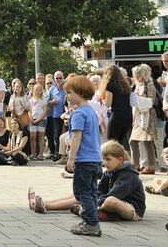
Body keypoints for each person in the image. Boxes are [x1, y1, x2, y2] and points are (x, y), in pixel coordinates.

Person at [64, 75, 102, 236]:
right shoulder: (91, 112)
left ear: (80, 92)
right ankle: (89, 220)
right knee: (91, 192)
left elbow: (77, 136)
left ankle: (92, 224)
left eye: (70, 93)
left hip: (84, 160)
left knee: (82, 192)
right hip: (95, 160)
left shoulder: (78, 114)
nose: (68, 96)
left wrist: (71, 158)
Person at [129, 64, 157, 175]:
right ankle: (137, 165)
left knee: (147, 141)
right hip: (138, 116)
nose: (136, 77)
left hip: (147, 115)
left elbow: (152, 101)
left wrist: (139, 99)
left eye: (138, 75)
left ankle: (148, 166)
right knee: (133, 141)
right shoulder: (137, 85)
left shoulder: (149, 85)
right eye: (135, 75)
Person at [99, 64, 132, 150]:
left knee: (111, 143)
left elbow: (108, 104)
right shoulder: (125, 85)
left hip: (117, 116)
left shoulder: (110, 85)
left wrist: (102, 98)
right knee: (119, 143)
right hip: (128, 117)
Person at [47, 71, 66, 161]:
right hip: (56, 115)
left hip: (67, 114)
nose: (59, 80)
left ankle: (66, 154)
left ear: (63, 77)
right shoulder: (52, 88)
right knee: (57, 135)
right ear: (54, 79)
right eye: (57, 78)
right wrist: (52, 102)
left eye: (60, 78)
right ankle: (58, 153)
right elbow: (46, 102)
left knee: (68, 134)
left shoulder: (67, 86)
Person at [29, 83, 48, 160]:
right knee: (32, 136)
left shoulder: (43, 100)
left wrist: (39, 119)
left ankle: (40, 154)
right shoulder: (31, 100)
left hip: (41, 119)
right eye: (37, 90)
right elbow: (29, 110)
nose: (38, 92)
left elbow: (45, 110)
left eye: (40, 90)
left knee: (41, 135)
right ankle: (33, 153)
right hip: (33, 118)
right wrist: (30, 118)